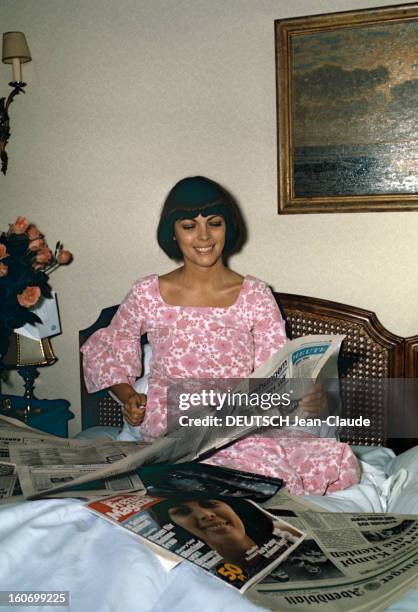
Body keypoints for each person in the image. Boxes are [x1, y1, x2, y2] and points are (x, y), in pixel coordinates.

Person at [82, 176, 360, 495]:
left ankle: (225, 475)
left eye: (214, 223)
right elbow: (109, 351)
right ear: (172, 232)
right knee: (256, 473)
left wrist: (311, 395)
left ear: (227, 228)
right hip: (173, 419)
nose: (203, 236)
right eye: (189, 226)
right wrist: (128, 396)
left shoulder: (255, 294)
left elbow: (277, 369)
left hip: (238, 419)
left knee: (336, 462)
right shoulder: (147, 292)